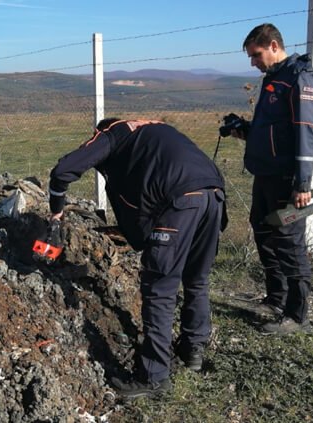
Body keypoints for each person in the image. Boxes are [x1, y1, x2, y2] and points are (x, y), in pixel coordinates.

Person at [48, 118, 226, 399]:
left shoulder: (113, 133)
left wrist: (55, 212)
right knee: (197, 278)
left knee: (159, 288)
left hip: (180, 201)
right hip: (213, 195)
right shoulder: (152, 133)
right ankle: (193, 349)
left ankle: (153, 376)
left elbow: (63, 170)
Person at [232, 23, 313, 335]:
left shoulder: (299, 78)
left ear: (272, 45)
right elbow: (272, 131)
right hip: (265, 175)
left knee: (288, 242)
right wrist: (241, 129)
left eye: (256, 55)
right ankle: (276, 299)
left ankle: (297, 316)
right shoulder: (274, 79)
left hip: (287, 179)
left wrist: (302, 184)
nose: (253, 62)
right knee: (264, 233)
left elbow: (305, 132)